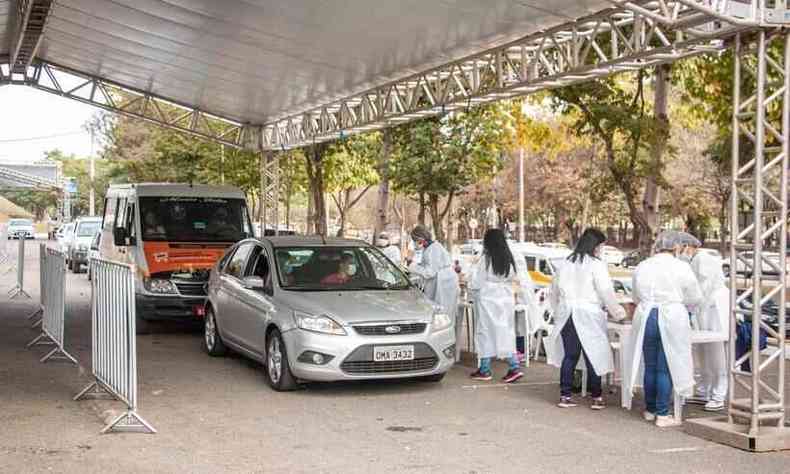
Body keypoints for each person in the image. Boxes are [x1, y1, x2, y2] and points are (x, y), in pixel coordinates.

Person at [624, 230, 703, 428]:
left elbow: (635, 295)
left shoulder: (643, 265)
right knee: (665, 367)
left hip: (646, 316)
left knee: (650, 365)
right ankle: (662, 413)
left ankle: (650, 410)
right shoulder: (681, 267)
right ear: (677, 247)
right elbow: (694, 297)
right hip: (671, 316)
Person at [547, 228, 626, 410]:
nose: (601, 250)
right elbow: (606, 292)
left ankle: (565, 395)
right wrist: (619, 314)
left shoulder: (566, 262)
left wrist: (558, 310)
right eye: (601, 246)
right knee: (594, 353)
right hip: (589, 313)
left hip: (567, 314)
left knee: (570, 356)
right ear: (596, 245)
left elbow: (554, 291)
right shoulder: (596, 265)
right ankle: (596, 396)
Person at [679, 232, 729, 412]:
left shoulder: (702, 259)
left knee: (716, 351)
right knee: (702, 350)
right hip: (704, 308)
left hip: (713, 307)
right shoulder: (692, 261)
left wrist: (690, 302)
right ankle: (704, 390)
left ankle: (718, 393)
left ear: (688, 246)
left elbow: (703, 286)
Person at [468, 229, 525, 383]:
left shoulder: (486, 259)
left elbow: (477, 282)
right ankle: (514, 366)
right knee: (505, 333)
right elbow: (514, 276)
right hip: (505, 298)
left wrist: (470, 286)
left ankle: (485, 369)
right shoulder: (508, 257)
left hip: (488, 298)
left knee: (485, 333)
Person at [408, 225, 461, 352]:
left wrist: (413, 266)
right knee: (441, 315)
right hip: (441, 283)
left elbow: (430, 272)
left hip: (444, 284)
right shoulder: (430, 249)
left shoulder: (433, 249)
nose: (414, 243)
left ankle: (446, 348)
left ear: (421, 239)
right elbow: (426, 267)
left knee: (444, 317)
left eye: (415, 240)